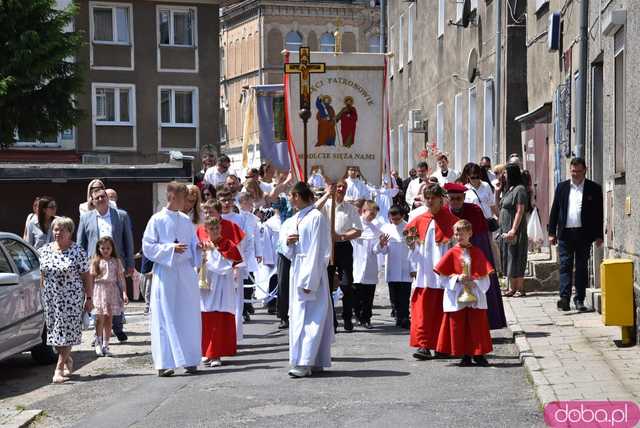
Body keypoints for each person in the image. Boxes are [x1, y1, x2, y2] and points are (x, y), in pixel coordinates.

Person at [142, 182, 202, 377]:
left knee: (188, 314)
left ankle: (190, 359)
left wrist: (199, 248)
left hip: (185, 272)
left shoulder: (185, 220)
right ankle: (164, 362)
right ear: (173, 197)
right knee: (165, 315)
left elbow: (193, 244)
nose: (187, 202)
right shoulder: (156, 220)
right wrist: (169, 248)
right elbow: (148, 247)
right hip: (166, 271)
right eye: (184, 197)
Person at [281, 182, 334, 378]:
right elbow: (287, 250)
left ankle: (305, 361)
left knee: (311, 318)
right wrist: (289, 243)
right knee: (298, 317)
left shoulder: (316, 217)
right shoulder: (297, 218)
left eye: (294, 195)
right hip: (297, 267)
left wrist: (309, 280)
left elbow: (317, 250)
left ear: (304, 196)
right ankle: (313, 360)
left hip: (311, 273)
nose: (292, 199)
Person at [444, 183, 507, 330]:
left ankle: (486, 324)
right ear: (447, 198)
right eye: (452, 198)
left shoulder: (474, 210)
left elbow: (481, 240)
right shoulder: (444, 212)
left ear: (464, 197)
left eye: (458, 198)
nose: (455, 202)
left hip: (473, 260)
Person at [405, 183, 457, 361]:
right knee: (423, 312)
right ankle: (424, 345)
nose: (428, 201)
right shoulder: (420, 219)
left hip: (444, 276)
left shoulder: (451, 221)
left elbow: (458, 247)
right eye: (426, 198)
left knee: (444, 312)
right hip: (425, 274)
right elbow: (408, 237)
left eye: (431, 198)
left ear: (441, 199)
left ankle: (443, 346)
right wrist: (411, 243)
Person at [38, 217, 92, 384]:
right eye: (55, 229)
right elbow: (42, 275)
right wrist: (42, 295)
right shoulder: (45, 250)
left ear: (70, 232)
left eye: (61, 230)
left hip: (71, 299)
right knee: (55, 335)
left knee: (67, 333)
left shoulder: (78, 251)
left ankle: (59, 368)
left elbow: (86, 276)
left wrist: (88, 298)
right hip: (52, 299)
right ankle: (67, 358)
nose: (57, 233)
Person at [77, 187, 134, 342]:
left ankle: (115, 328)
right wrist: (80, 266)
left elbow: (128, 240)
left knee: (116, 299)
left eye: (103, 197)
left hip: (115, 263)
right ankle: (99, 336)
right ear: (92, 201)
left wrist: (130, 263)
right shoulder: (86, 218)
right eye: (97, 198)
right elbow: (80, 243)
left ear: (108, 199)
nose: (101, 200)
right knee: (96, 302)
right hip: (94, 266)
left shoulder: (121, 216)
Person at [434, 219, 494, 367]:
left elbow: (485, 276)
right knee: (459, 326)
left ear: (470, 233)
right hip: (457, 294)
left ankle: (479, 354)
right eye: (457, 234)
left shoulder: (477, 252)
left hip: (474, 294)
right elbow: (443, 277)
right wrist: (457, 279)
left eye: (462, 233)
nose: (459, 236)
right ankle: (465, 355)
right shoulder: (451, 253)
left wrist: (475, 282)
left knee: (477, 325)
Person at [548, 157, 603, 312]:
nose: (576, 175)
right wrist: (552, 232)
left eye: (578, 171)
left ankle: (579, 299)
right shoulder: (562, 187)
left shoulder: (593, 188)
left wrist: (599, 235)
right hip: (565, 234)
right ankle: (564, 299)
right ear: (570, 171)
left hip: (584, 234)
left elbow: (598, 214)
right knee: (565, 265)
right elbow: (555, 210)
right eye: (573, 172)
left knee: (581, 267)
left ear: (585, 170)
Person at [316, 181, 363, 332]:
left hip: (343, 246)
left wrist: (341, 237)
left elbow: (358, 230)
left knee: (346, 284)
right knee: (328, 285)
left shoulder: (350, 208)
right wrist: (327, 194)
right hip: (327, 248)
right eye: (338, 187)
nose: (340, 189)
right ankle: (332, 321)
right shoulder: (325, 205)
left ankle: (348, 317)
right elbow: (312, 210)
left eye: (343, 187)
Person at [199, 217, 242, 367]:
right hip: (206, 287)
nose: (215, 231)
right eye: (212, 229)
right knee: (205, 319)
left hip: (222, 288)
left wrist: (213, 252)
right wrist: (204, 252)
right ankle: (206, 351)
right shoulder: (203, 245)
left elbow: (224, 266)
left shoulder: (228, 244)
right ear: (206, 230)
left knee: (217, 320)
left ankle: (216, 354)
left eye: (217, 228)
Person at [374, 205, 414, 329]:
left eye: (397, 219)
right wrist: (382, 244)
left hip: (405, 266)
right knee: (394, 295)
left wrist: (413, 268)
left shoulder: (409, 227)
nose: (395, 221)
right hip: (392, 265)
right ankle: (397, 315)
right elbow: (383, 250)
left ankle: (405, 317)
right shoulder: (386, 228)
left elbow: (414, 249)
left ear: (402, 216)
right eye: (392, 219)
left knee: (405, 294)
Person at [90, 236, 128, 357]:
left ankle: (106, 345)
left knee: (108, 319)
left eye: (108, 248)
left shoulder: (116, 261)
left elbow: (121, 279)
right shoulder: (95, 261)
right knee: (99, 318)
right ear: (98, 248)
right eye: (103, 248)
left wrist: (124, 293)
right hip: (99, 290)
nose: (105, 250)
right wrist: (88, 295)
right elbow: (90, 279)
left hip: (112, 291)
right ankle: (98, 342)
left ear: (112, 249)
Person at [498, 164, 529, 297]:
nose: (503, 175)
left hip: (514, 229)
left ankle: (519, 288)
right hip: (505, 228)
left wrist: (513, 229)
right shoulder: (508, 189)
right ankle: (512, 287)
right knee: (508, 256)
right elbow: (499, 205)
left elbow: (520, 210)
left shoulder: (520, 190)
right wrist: (497, 191)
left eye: (505, 173)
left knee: (516, 256)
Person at [351, 201, 383, 329]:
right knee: (356, 295)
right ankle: (357, 316)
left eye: (374, 215)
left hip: (370, 267)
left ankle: (367, 318)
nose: (372, 217)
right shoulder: (354, 225)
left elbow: (375, 250)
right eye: (371, 214)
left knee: (368, 296)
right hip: (356, 264)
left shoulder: (375, 230)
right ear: (364, 211)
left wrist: (381, 244)